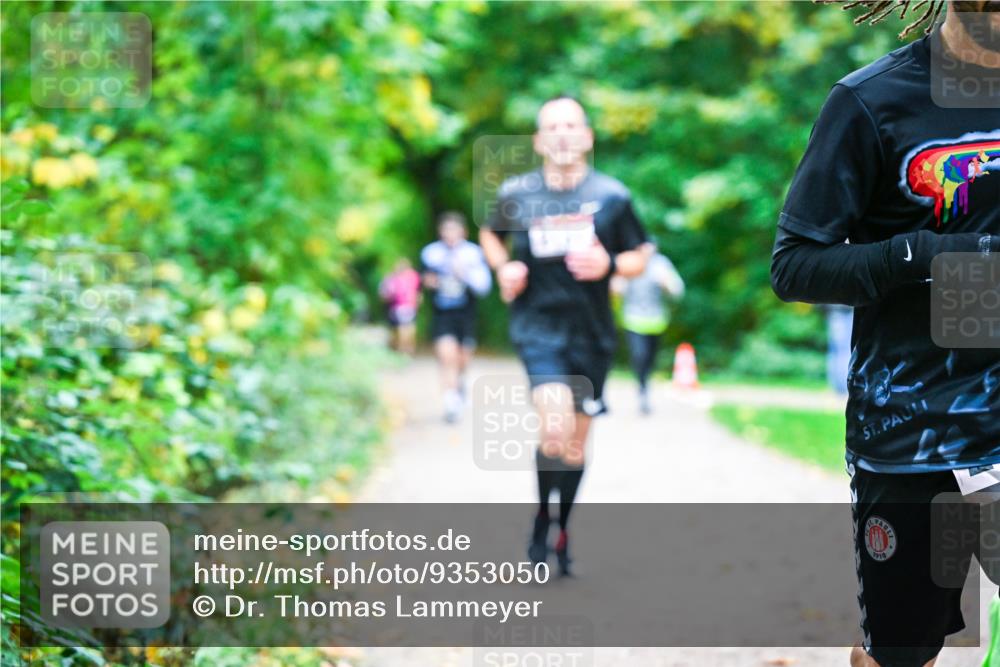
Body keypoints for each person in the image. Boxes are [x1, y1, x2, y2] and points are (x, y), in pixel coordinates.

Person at [771, 2, 999, 665]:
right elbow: (795, 265)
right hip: (909, 424)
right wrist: (922, 256)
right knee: (900, 649)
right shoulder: (871, 100)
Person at [479, 95, 650, 576]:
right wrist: (504, 266)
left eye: (571, 125)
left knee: (574, 445)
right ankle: (540, 517)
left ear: (587, 137)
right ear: (538, 140)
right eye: (551, 126)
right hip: (538, 327)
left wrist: (610, 264)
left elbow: (642, 253)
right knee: (553, 427)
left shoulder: (612, 196)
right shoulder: (517, 193)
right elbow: (490, 233)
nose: (561, 134)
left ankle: (561, 529)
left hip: (591, 335)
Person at [420, 211, 492, 423]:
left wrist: (465, 274)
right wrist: (428, 282)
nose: (450, 234)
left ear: (463, 232)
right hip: (442, 313)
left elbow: (484, 287)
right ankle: (451, 402)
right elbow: (422, 278)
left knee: (462, 358)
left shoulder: (473, 254)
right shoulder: (431, 254)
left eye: (454, 229)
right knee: (446, 355)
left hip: (466, 314)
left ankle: (460, 385)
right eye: (446, 229)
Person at [611, 245, 685, 414]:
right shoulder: (628, 262)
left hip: (656, 321)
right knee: (639, 355)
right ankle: (642, 388)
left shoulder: (661, 264)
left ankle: (645, 384)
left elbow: (677, 290)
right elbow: (616, 288)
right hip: (633, 319)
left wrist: (666, 283)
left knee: (650, 358)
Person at [379, 258, 421, 355]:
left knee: (403, 328)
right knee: (406, 327)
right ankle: (406, 348)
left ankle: (403, 349)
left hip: (401, 307)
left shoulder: (394, 278)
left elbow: (385, 294)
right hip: (404, 306)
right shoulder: (412, 276)